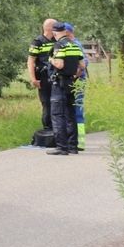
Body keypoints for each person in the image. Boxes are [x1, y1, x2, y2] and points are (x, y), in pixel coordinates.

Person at [47, 21, 85, 155]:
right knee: (71, 114)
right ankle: (72, 146)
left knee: (57, 114)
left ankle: (62, 147)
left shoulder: (58, 45)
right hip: (71, 83)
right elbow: (82, 66)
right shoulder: (74, 45)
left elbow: (60, 64)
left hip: (60, 83)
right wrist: (75, 76)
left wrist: (51, 59)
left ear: (55, 33)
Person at [27, 19, 57, 131]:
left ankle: (58, 132)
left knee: (57, 104)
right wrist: (33, 79)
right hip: (43, 77)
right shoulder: (37, 42)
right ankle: (47, 131)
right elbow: (31, 61)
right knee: (47, 104)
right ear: (49, 28)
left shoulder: (57, 41)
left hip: (56, 76)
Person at [64, 22, 88, 150]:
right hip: (76, 80)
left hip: (77, 81)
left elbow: (83, 64)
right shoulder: (74, 44)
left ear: (67, 32)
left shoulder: (75, 44)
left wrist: (74, 76)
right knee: (74, 110)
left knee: (77, 110)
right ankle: (76, 140)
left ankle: (79, 141)